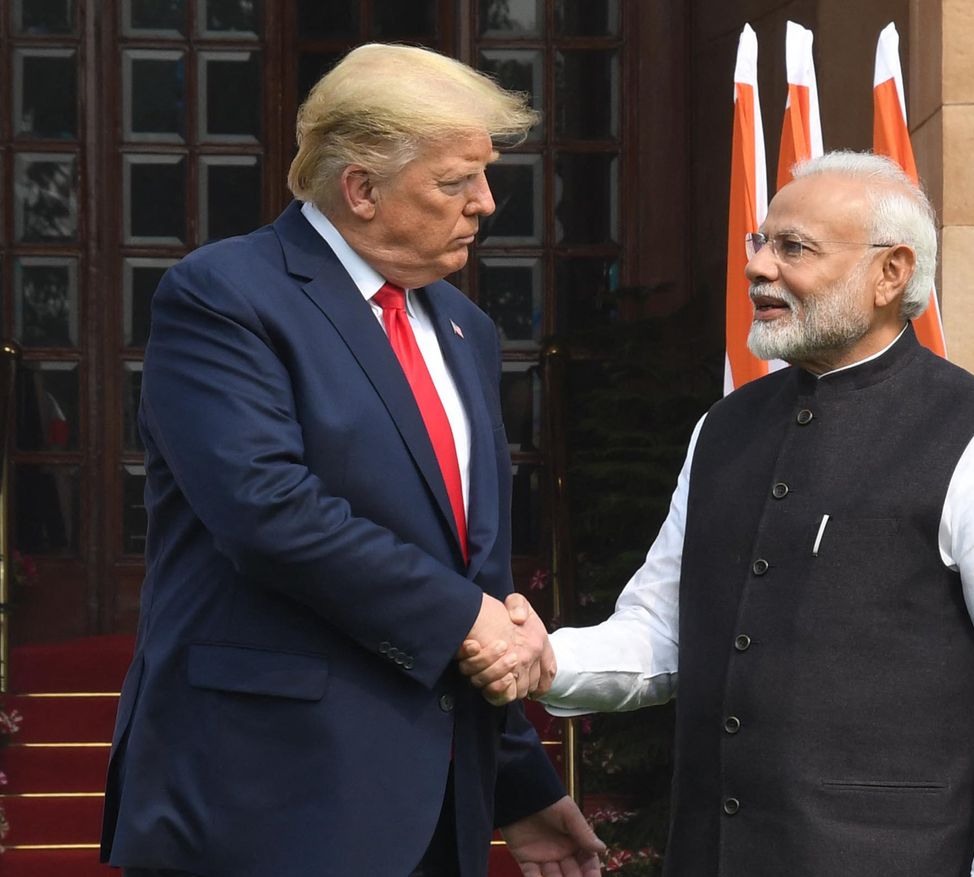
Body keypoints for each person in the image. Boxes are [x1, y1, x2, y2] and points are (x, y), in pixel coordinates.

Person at [463, 151, 974, 876]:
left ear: (891, 273)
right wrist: (542, 657)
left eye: (793, 247)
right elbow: (663, 633)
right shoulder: (723, 428)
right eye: (760, 244)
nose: (759, 268)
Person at [101, 43, 602, 877]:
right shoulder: (223, 295)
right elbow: (268, 510)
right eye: (455, 181)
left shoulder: (465, 330)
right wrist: (465, 617)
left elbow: (471, 575)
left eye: (483, 175)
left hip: (434, 810)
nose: (484, 203)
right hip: (264, 803)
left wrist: (519, 780)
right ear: (360, 188)